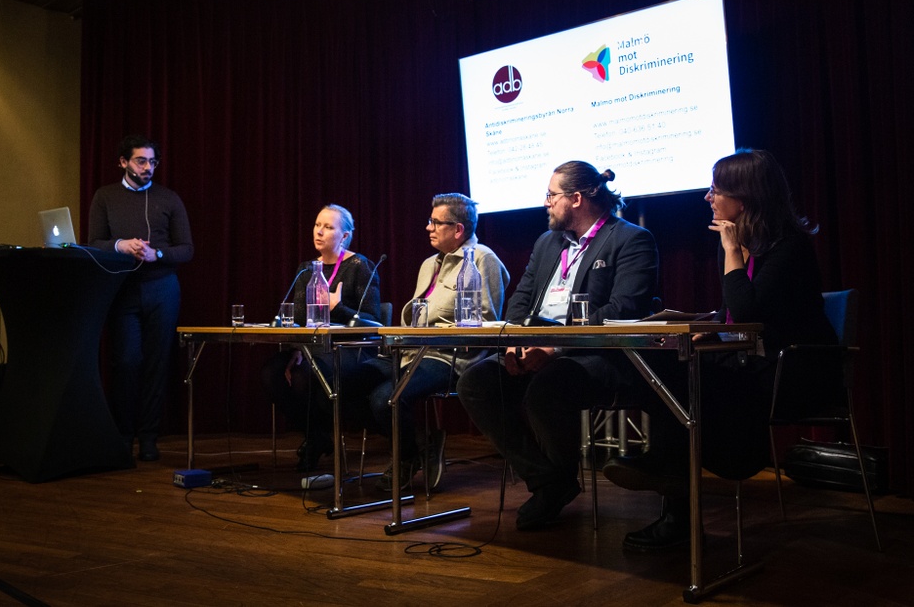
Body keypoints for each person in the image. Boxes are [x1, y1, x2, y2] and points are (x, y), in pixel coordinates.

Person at [603, 148, 839, 552]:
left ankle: (676, 483)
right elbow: (734, 316)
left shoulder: (787, 247)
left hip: (794, 371)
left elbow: (748, 311)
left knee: (687, 381)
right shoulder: (736, 244)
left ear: (743, 198)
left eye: (715, 190)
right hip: (751, 363)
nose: (707, 198)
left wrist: (731, 250)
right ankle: (673, 486)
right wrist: (710, 331)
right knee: (665, 364)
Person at [457, 161, 659, 531]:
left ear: (577, 198)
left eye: (552, 195)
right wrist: (514, 346)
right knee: (476, 381)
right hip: (535, 347)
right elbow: (520, 301)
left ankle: (555, 483)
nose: (546, 202)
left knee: (546, 389)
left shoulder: (630, 239)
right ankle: (550, 482)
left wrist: (555, 349)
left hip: (596, 356)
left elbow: (624, 309)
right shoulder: (546, 242)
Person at [356, 193, 510, 491]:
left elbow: (487, 322)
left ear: (458, 229)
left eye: (435, 222)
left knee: (385, 398)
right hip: (411, 352)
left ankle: (407, 457)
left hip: (448, 357)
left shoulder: (483, 259)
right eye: (430, 221)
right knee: (351, 383)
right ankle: (422, 444)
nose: (428, 227)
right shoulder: (429, 263)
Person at [89, 134, 194, 461]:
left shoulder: (169, 198)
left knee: (156, 363)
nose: (148, 168)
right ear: (123, 162)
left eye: (152, 162)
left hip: (162, 287)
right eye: (141, 161)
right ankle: (123, 435)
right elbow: (94, 242)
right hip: (122, 290)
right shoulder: (105, 196)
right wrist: (121, 245)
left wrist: (157, 253)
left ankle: (149, 437)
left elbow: (187, 249)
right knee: (126, 362)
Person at [260, 204, 382, 472]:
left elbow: (374, 321)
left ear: (345, 236)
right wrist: (295, 347)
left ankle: (317, 438)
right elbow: (301, 317)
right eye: (318, 225)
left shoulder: (360, 266)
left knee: (306, 376)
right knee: (272, 373)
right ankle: (316, 435)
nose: (320, 232)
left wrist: (338, 307)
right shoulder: (307, 269)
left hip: (349, 351)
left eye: (328, 227)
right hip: (311, 348)